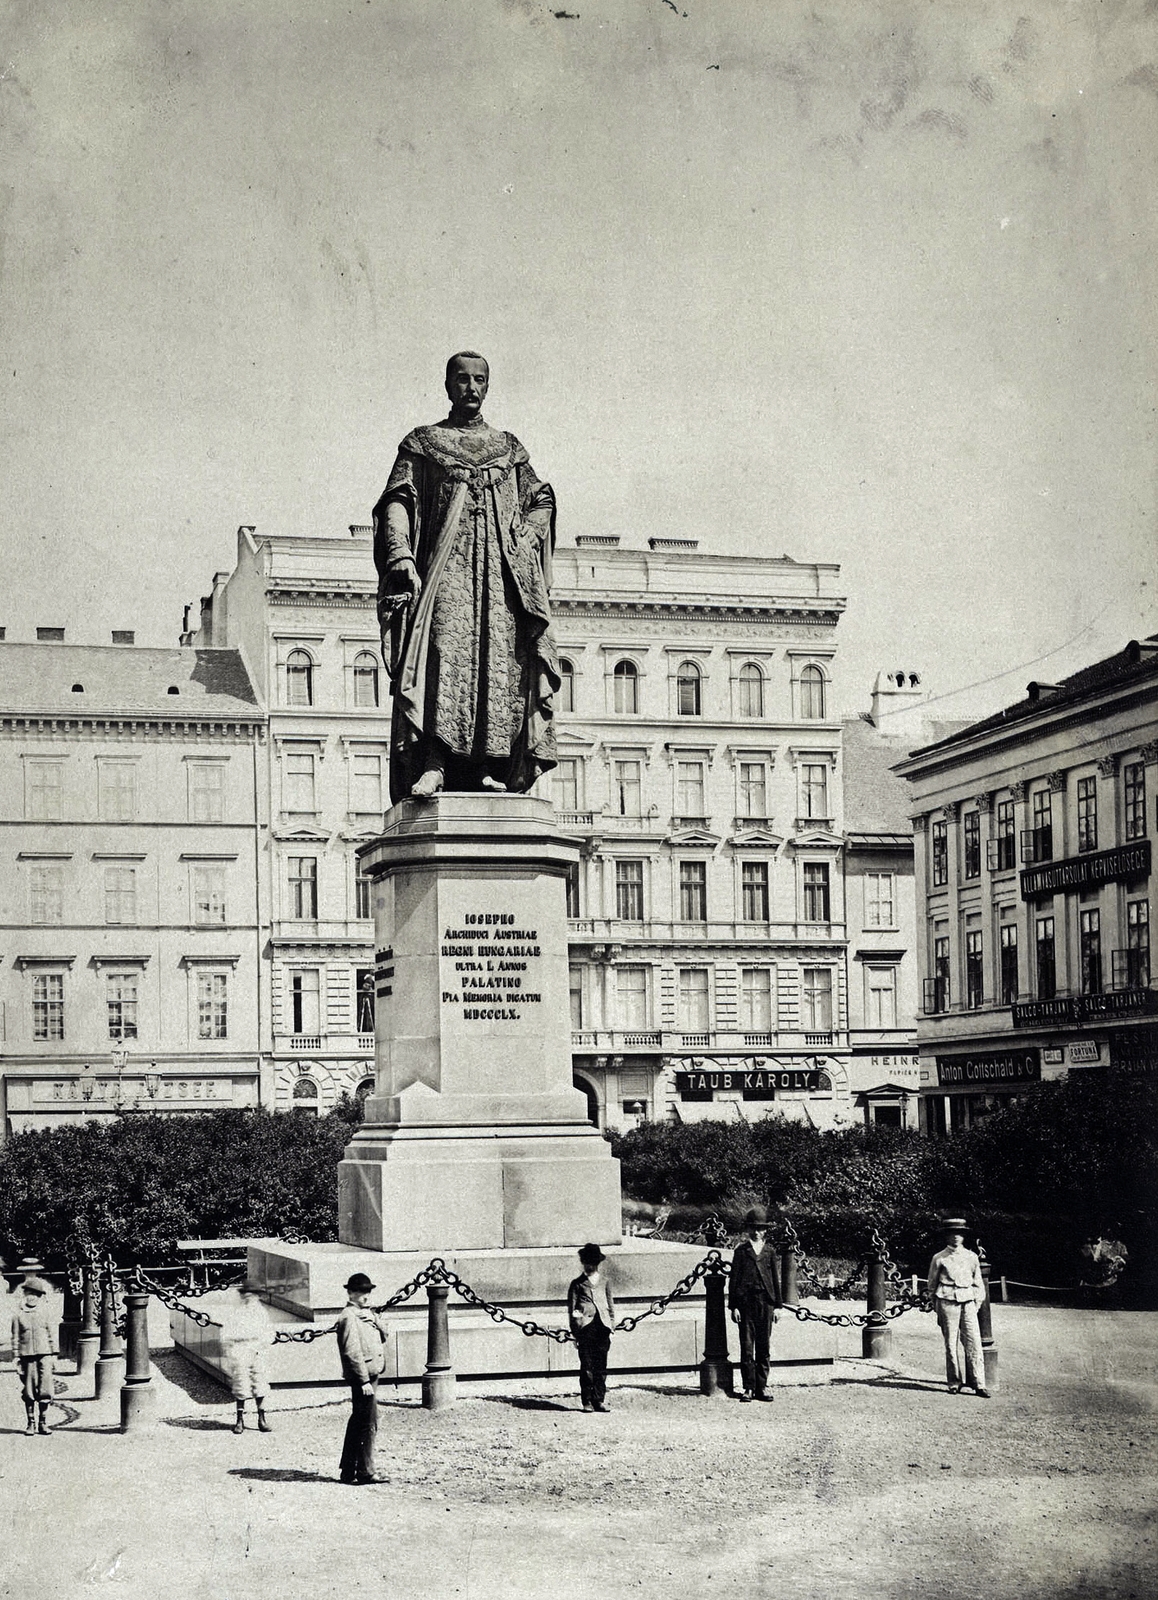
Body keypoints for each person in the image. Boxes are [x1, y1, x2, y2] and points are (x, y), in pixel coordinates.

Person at [373, 351, 560, 803]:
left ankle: (491, 768)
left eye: (480, 380)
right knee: (443, 653)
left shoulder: (508, 449)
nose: (471, 388)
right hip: (447, 569)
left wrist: (529, 536)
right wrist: (400, 553)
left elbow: (542, 498)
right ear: (447, 385)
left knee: (501, 662)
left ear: (488, 386)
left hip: (501, 577)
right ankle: (435, 762)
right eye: (462, 379)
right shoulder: (424, 442)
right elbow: (398, 499)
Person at [335, 1271, 389, 1484]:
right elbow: (352, 1351)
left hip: (371, 1373)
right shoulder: (348, 1316)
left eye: (367, 1292)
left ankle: (348, 1470)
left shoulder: (366, 1314)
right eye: (360, 1292)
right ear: (350, 1293)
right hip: (364, 1377)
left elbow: (385, 1336)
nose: (365, 1296)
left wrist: (375, 1320)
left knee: (359, 1420)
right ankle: (365, 1471)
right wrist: (363, 1380)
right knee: (367, 1423)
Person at [926, 1217, 989, 1397]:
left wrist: (975, 1304)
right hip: (946, 1301)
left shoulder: (971, 1257)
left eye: (959, 1234)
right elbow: (932, 1285)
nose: (956, 1237)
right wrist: (937, 1306)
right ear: (946, 1236)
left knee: (974, 1342)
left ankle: (979, 1383)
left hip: (968, 1302)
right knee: (950, 1344)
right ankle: (954, 1381)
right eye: (952, 1233)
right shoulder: (939, 1258)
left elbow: (978, 1285)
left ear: (964, 1236)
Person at [728, 1207, 782, 1402]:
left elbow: (775, 1280)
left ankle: (762, 1387)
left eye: (759, 1228)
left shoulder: (769, 1252)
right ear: (748, 1229)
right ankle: (748, 1387)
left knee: (764, 1346)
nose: (756, 1232)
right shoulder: (742, 1251)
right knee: (747, 1347)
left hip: (765, 1303)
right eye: (752, 1228)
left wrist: (777, 1306)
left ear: (765, 1230)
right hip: (746, 1304)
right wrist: (733, 1306)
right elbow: (734, 1279)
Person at [567, 1243, 616, 1413]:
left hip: (602, 1327)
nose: (589, 1266)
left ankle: (599, 1400)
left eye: (592, 1262)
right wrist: (575, 1332)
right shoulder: (577, 1284)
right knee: (587, 1366)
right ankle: (587, 1401)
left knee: (601, 1366)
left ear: (597, 1263)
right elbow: (572, 1310)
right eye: (586, 1262)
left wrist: (612, 1324)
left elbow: (610, 1305)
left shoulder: (604, 1282)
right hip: (585, 1328)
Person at [223, 1280, 273, 1435]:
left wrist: (262, 1345)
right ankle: (239, 1419)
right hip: (241, 1349)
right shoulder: (236, 1313)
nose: (249, 1298)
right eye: (246, 1294)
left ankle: (261, 1418)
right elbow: (226, 1334)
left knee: (260, 1383)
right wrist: (231, 1350)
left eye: (253, 1295)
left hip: (257, 1349)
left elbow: (269, 1333)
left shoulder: (261, 1312)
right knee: (241, 1384)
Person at [10, 1275, 57, 1435]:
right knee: (29, 1390)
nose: (32, 1297)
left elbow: (52, 1334)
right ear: (25, 1295)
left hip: (44, 1355)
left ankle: (43, 1422)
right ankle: (30, 1423)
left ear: (39, 1297)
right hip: (26, 1356)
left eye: (36, 1294)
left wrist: (54, 1355)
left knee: (45, 1389)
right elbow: (15, 1337)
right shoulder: (18, 1315)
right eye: (29, 1293)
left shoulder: (45, 1313)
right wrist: (16, 1357)